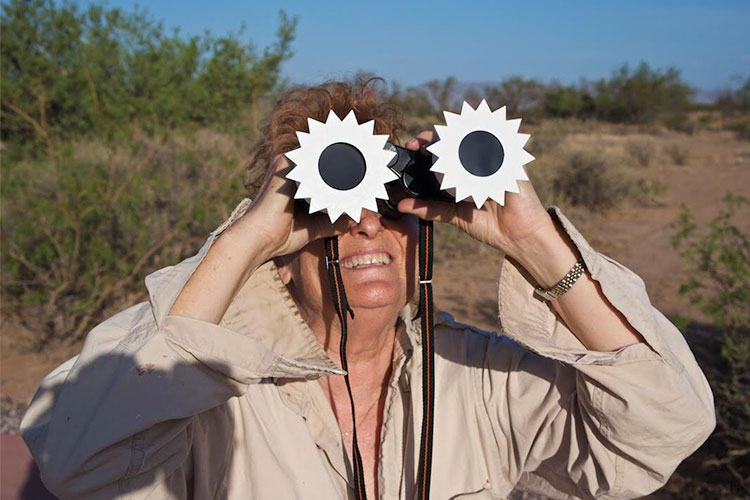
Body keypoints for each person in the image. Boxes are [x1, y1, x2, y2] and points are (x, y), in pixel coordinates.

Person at [21, 81, 714, 500]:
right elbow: (86, 463)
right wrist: (241, 244)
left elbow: (663, 429)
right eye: (328, 208)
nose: (365, 225)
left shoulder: (482, 379)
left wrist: (533, 239)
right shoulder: (209, 397)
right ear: (283, 251)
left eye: (393, 204)